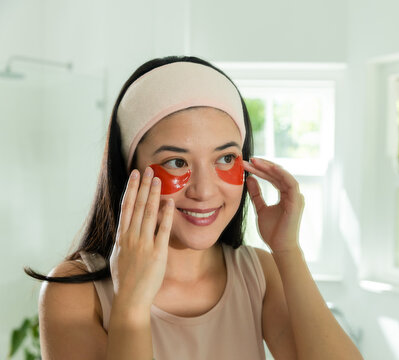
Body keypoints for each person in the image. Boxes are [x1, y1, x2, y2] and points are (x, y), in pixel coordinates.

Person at [27, 56, 364, 360]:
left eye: (226, 158)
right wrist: (130, 305)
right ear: (129, 169)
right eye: (176, 161)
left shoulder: (258, 273)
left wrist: (288, 250)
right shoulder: (74, 291)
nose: (204, 191)